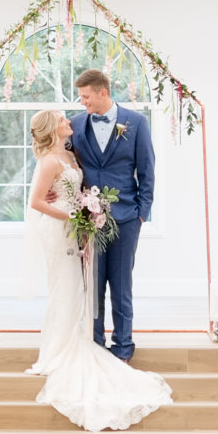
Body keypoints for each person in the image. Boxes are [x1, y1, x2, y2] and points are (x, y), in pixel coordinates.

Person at [23, 107, 172, 431]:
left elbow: (92, 182)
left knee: (82, 287)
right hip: (61, 230)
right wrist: (75, 217)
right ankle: (58, 351)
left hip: (86, 226)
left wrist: (90, 212)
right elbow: (36, 202)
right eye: (63, 119)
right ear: (53, 127)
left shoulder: (70, 155)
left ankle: (102, 342)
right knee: (67, 287)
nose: (70, 121)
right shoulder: (50, 161)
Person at [69, 66, 153, 360]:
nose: (83, 102)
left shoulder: (137, 123)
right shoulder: (76, 124)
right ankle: (94, 345)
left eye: (86, 96)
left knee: (121, 285)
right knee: (92, 286)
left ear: (102, 92)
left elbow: (147, 170)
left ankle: (123, 347)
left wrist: (142, 212)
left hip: (127, 217)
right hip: (88, 220)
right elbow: (62, 161)